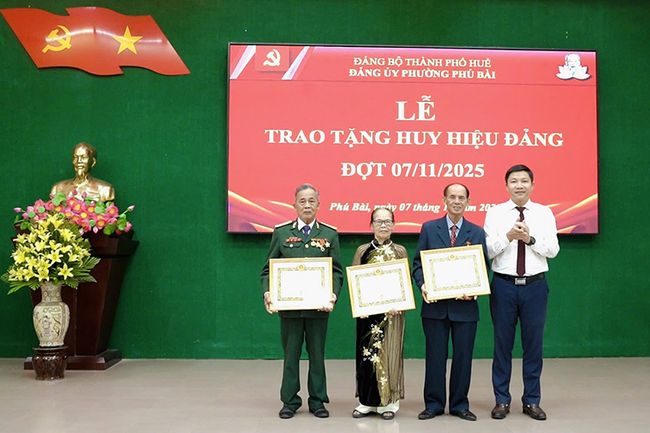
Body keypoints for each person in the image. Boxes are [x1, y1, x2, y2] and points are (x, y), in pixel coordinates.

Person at [260, 184, 343, 419]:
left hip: (318, 308)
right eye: (302, 201)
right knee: (291, 356)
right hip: (290, 309)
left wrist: (333, 294)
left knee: (317, 356)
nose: (307, 205)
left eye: (311, 201)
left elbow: (336, 272)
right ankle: (290, 401)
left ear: (318, 204)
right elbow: (268, 270)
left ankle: (318, 401)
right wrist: (268, 292)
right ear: (294, 205)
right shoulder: (281, 233)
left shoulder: (329, 234)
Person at [484, 164, 559, 421]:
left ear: (532, 185)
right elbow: (488, 250)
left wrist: (530, 239)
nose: (519, 185)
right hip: (503, 285)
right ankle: (501, 400)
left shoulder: (544, 213)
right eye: (514, 181)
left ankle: (532, 401)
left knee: (533, 346)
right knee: (502, 346)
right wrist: (508, 236)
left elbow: (553, 250)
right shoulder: (494, 213)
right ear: (506, 186)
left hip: (535, 286)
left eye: (524, 181)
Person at [412, 183, 487, 422]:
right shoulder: (429, 228)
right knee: (435, 358)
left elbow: (483, 267)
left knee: (463, 358)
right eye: (452, 197)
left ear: (468, 202)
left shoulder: (477, 232)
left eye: (461, 198)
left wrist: (474, 291)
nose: (456, 201)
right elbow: (417, 264)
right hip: (435, 308)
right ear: (444, 200)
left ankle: (459, 405)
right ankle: (433, 404)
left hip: (465, 308)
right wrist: (423, 285)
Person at [351, 207, 408, 421]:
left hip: (392, 314)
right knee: (366, 357)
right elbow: (355, 281)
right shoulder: (362, 250)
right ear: (371, 225)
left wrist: (400, 303)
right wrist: (360, 305)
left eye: (387, 221)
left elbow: (405, 282)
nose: (383, 225)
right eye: (378, 221)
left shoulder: (400, 251)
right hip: (367, 315)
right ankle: (366, 402)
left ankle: (389, 404)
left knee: (390, 355)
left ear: (393, 224)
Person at [51, 142, 115, 202]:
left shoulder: (105, 189)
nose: (79, 161)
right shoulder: (57, 188)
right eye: (75, 157)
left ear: (93, 162)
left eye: (83, 157)